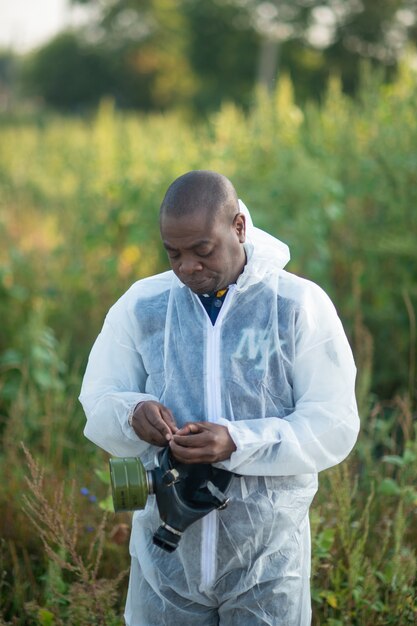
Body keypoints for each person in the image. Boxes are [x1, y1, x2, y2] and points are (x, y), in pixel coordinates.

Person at [79, 170, 360, 625]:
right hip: (167, 567)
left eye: (202, 250)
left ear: (239, 227)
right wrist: (133, 413)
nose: (188, 266)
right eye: (174, 253)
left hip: (266, 562)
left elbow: (333, 422)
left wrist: (237, 441)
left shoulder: (295, 306)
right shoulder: (144, 305)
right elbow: (98, 396)